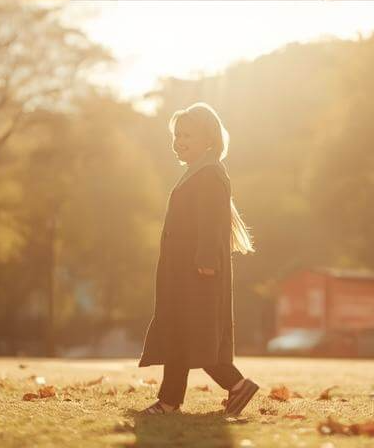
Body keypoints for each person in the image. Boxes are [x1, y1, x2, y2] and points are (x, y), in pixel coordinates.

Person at [137, 102, 258, 416]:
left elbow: (211, 223)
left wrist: (206, 260)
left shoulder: (210, 175)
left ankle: (230, 387)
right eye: (177, 134)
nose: (179, 140)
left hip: (198, 273)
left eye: (187, 134)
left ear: (208, 138)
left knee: (197, 337)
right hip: (181, 273)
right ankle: (172, 401)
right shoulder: (197, 173)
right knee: (181, 334)